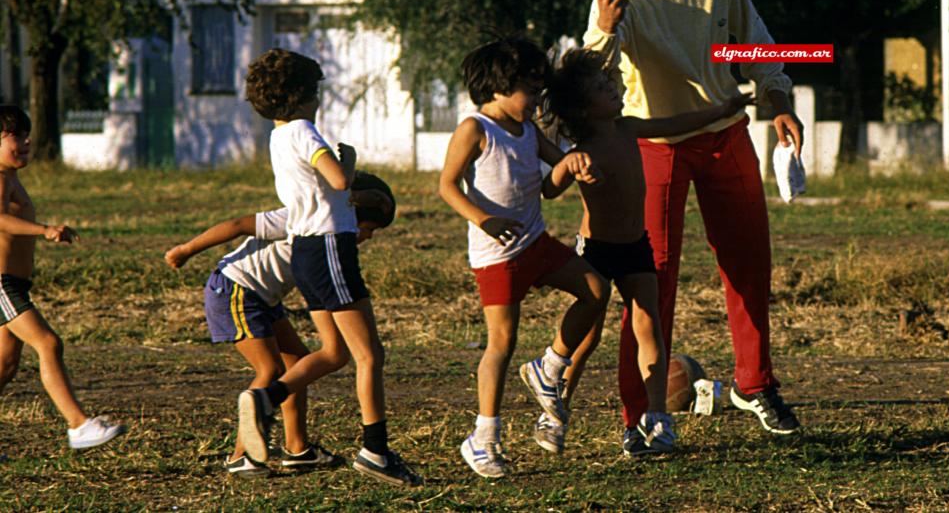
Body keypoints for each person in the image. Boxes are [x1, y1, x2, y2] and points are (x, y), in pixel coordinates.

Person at [583, 0, 804, 437]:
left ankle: (755, 385)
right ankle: (640, 418)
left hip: (726, 134)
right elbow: (590, 80)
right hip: (652, 149)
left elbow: (754, 48)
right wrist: (606, 28)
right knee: (648, 282)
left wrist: (778, 102)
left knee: (748, 265)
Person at [541, 49, 759, 455]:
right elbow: (549, 189)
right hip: (597, 251)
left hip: (635, 246)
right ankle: (555, 411)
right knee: (586, 339)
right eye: (603, 89)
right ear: (583, 109)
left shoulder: (627, 128)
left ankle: (657, 419)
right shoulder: (582, 149)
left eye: (610, 83)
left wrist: (721, 110)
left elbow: (674, 124)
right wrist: (568, 167)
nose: (614, 88)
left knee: (650, 327)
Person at [236, 49, 421, 487]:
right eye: (315, 91)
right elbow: (338, 180)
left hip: (304, 250)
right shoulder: (303, 130)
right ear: (301, 95)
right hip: (329, 249)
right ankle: (375, 451)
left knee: (335, 352)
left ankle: (266, 400)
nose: (319, 99)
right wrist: (350, 163)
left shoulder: (278, 136)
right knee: (369, 355)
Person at [438, 38, 610, 478]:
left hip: (535, 240)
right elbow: (447, 187)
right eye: (530, 92)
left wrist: (574, 165)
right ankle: (483, 438)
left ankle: (549, 366)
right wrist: (484, 220)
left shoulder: (529, 131)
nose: (536, 101)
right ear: (498, 87)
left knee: (595, 290)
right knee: (501, 343)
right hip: (497, 254)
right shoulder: (474, 129)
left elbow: (552, 184)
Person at [163, 172, 395, 476]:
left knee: (297, 362)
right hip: (236, 288)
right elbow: (237, 225)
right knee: (270, 370)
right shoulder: (300, 217)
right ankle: (240, 456)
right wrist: (186, 250)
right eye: (369, 228)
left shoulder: (334, 239)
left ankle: (297, 449)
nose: (368, 236)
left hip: (264, 298)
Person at [0, 105, 126, 450]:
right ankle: (78, 424)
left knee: (6, 364)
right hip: (1, 284)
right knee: (48, 343)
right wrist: (43, 230)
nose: (26, 141)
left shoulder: (11, 177)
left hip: (14, 283)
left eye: (27, 134)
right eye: (15, 136)